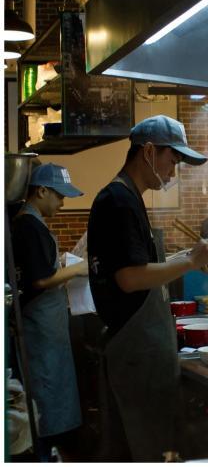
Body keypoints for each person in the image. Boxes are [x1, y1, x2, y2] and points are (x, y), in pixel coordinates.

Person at [87, 115, 208, 462]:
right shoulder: (119, 200)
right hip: (136, 356)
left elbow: (136, 265)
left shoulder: (127, 196)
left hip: (141, 356)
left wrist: (183, 257)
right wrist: (190, 262)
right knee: (144, 452)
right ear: (148, 151)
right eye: (172, 160)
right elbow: (129, 278)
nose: (173, 173)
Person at [11, 162, 87, 461]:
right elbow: (40, 279)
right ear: (41, 191)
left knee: (48, 397)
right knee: (44, 400)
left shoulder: (27, 223)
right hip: (39, 332)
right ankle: (44, 456)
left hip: (44, 330)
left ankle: (46, 452)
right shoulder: (29, 226)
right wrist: (80, 268)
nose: (63, 201)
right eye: (59, 195)